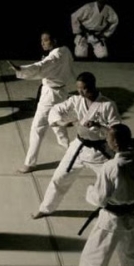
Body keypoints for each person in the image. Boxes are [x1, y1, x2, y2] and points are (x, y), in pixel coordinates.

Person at [53, 124, 134, 266]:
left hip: (112, 219)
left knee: (94, 259)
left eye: (108, 138)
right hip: (132, 215)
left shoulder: (111, 167)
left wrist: (89, 190)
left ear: (115, 143)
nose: (106, 141)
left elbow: (99, 198)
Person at [34, 72, 121, 218]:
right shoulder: (76, 100)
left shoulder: (108, 105)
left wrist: (99, 126)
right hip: (78, 148)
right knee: (59, 178)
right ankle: (46, 208)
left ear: (93, 86)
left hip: (99, 152)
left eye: (84, 89)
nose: (80, 92)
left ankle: (118, 210)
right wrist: (62, 122)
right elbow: (56, 110)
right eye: (78, 88)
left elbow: (117, 130)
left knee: (113, 182)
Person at [8, 32, 75, 173]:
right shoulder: (65, 50)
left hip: (50, 95)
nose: (42, 43)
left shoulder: (54, 58)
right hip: (62, 91)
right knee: (57, 119)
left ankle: (30, 163)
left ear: (55, 40)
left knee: (38, 127)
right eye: (41, 40)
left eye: (45, 40)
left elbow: (40, 67)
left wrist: (20, 69)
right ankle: (67, 145)